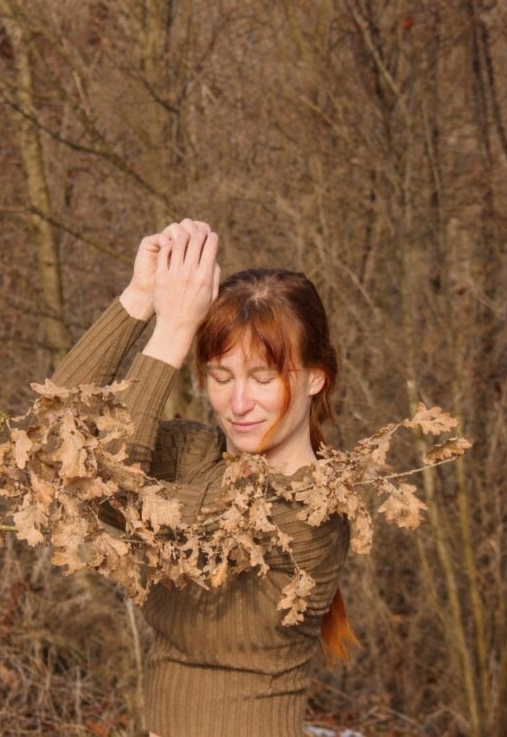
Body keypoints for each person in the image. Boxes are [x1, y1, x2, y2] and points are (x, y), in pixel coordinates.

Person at [48, 218, 358, 737]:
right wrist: (137, 302)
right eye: (220, 377)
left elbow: (116, 491)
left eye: (263, 378)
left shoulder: (315, 509)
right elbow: (56, 447)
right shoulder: (194, 455)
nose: (238, 404)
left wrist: (172, 334)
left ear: (316, 377)